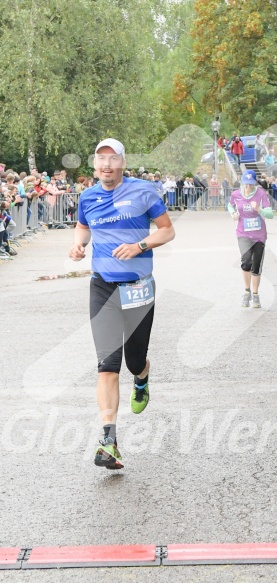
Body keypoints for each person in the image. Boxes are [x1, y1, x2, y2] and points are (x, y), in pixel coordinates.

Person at [68, 138, 175, 470]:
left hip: (138, 288)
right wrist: (78, 246)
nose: (106, 165)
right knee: (107, 365)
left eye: (112, 159)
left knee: (133, 361)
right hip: (102, 288)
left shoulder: (144, 191)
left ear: (122, 163)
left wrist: (139, 244)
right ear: (94, 164)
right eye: (101, 159)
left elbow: (167, 231)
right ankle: (109, 440)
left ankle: (142, 377)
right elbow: (82, 227)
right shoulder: (87, 196)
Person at [228, 169, 274, 308]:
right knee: (246, 261)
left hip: (259, 235)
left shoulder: (261, 194)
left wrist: (260, 210)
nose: (247, 186)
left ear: (254, 183)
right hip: (243, 233)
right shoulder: (236, 194)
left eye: (250, 184)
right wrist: (233, 214)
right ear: (242, 182)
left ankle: (255, 294)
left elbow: (270, 214)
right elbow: (230, 205)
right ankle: (246, 291)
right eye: (245, 184)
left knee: (256, 264)